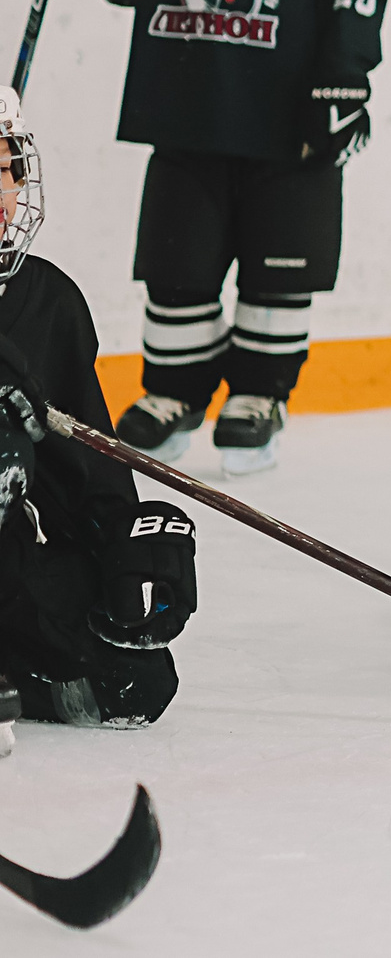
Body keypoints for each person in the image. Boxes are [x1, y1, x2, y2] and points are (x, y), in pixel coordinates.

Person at [24, 0, 390, 476]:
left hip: (293, 120)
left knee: (281, 261)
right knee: (177, 262)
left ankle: (260, 391)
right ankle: (175, 390)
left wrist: (345, 80)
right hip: (188, 110)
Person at [0, 87, 197, 743]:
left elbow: (81, 465)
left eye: (9, 169)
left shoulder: (47, 301)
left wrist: (124, 539)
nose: (3, 193)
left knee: (138, 678)